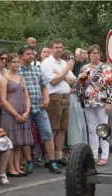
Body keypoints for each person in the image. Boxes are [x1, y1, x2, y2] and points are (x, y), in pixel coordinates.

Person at [17, 46, 61, 174]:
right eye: (27, 54)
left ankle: (52, 162)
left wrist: (46, 98)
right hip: (25, 108)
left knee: (47, 133)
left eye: (32, 54)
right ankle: (29, 162)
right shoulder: (17, 71)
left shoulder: (37, 70)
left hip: (39, 107)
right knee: (26, 137)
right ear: (20, 56)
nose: (31, 56)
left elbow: (44, 86)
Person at [77, 44, 112, 166]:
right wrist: (79, 79)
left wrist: (109, 101)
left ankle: (104, 155)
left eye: (97, 53)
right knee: (92, 129)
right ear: (89, 55)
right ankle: (93, 154)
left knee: (103, 128)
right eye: (93, 53)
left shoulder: (105, 68)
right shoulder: (84, 68)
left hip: (102, 101)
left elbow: (111, 86)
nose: (95, 55)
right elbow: (79, 87)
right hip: (88, 102)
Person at [41, 39, 76, 169]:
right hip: (54, 97)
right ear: (51, 49)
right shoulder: (47, 63)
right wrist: (66, 69)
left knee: (62, 128)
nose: (59, 49)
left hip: (66, 97)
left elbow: (73, 80)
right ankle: (49, 157)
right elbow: (54, 81)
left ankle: (58, 156)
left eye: (60, 47)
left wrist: (63, 74)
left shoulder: (62, 62)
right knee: (53, 128)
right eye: (56, 47)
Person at [0, 53, 34, 176]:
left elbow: (26, 96)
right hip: (10, 114)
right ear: (8, 63)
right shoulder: (4, 79)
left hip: (22, 112)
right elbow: (3, 100)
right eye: (14, 62)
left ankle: (17, 167)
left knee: (19, 142)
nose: (16, 64)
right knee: (11, 142)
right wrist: (15, 114)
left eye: (18, 62)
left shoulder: (21, 78)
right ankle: (11, 169)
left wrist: (27, 111)